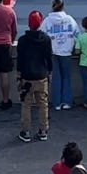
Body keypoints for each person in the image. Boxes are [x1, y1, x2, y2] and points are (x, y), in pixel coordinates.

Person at [16, 10, 52, 142]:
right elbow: (49, 58)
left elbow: (20, 60)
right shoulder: (46, 39)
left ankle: (25, 131)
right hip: (41, 75)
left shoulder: (23, 41)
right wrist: (49, 72)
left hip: (27, 77)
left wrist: (19, 76)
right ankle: (43, 130)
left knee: (26, 104)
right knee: (43, 104)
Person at [40, 0, 79, 110]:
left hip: (53, 52)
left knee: (55, 78)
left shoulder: (47, 21)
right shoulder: (70, 19)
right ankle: (66, 102)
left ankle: (56, 103)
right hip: (66, 52)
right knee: (66, 77)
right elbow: (77, 35)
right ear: (63, 6)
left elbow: (41, 36)